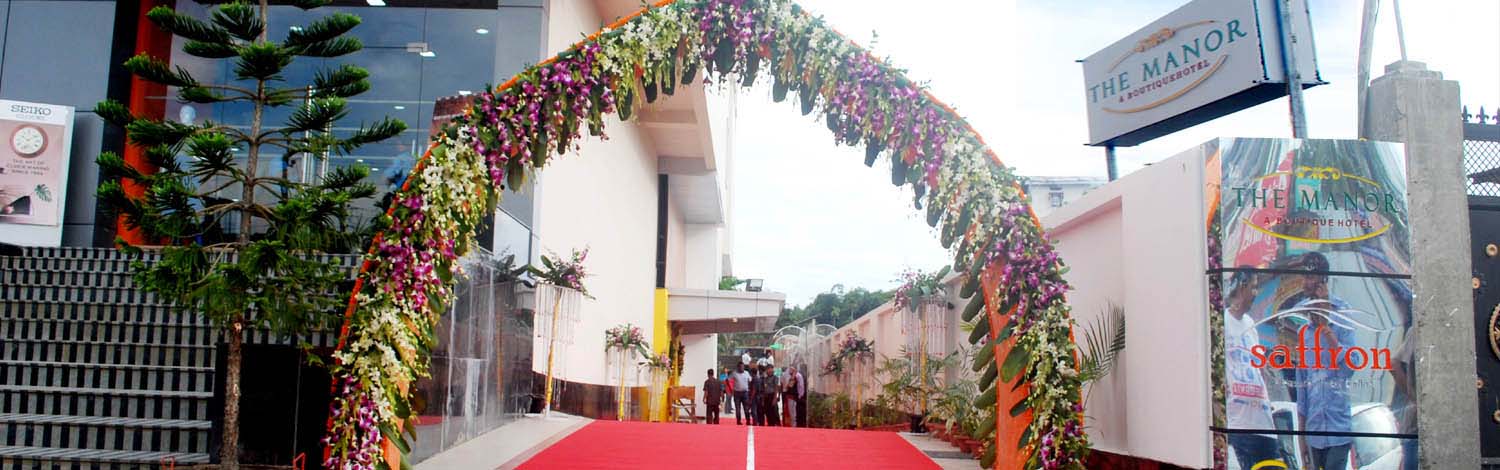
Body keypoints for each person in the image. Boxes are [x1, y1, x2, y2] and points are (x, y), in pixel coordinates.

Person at [1289, 252, 1354, 470]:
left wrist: (1327, 328)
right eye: (1304, 277)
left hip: (1338, 429)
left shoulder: (1342, 314)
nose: (1305, 283)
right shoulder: (1302, 323)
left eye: (1310, 277)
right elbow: (1302, 384)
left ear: (1322, 280)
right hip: (1313, 431)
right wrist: (1301, 437)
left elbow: (1349, 368)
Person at [1222, 270, 1283, 468]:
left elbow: (1259, 366)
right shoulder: (1222, 322)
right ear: (1242, 287)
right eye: (1253, 287)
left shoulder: (1250, 325)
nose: (1256, 293)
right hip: (1240, 423)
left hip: (1263, 422)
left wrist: (1266, 398)